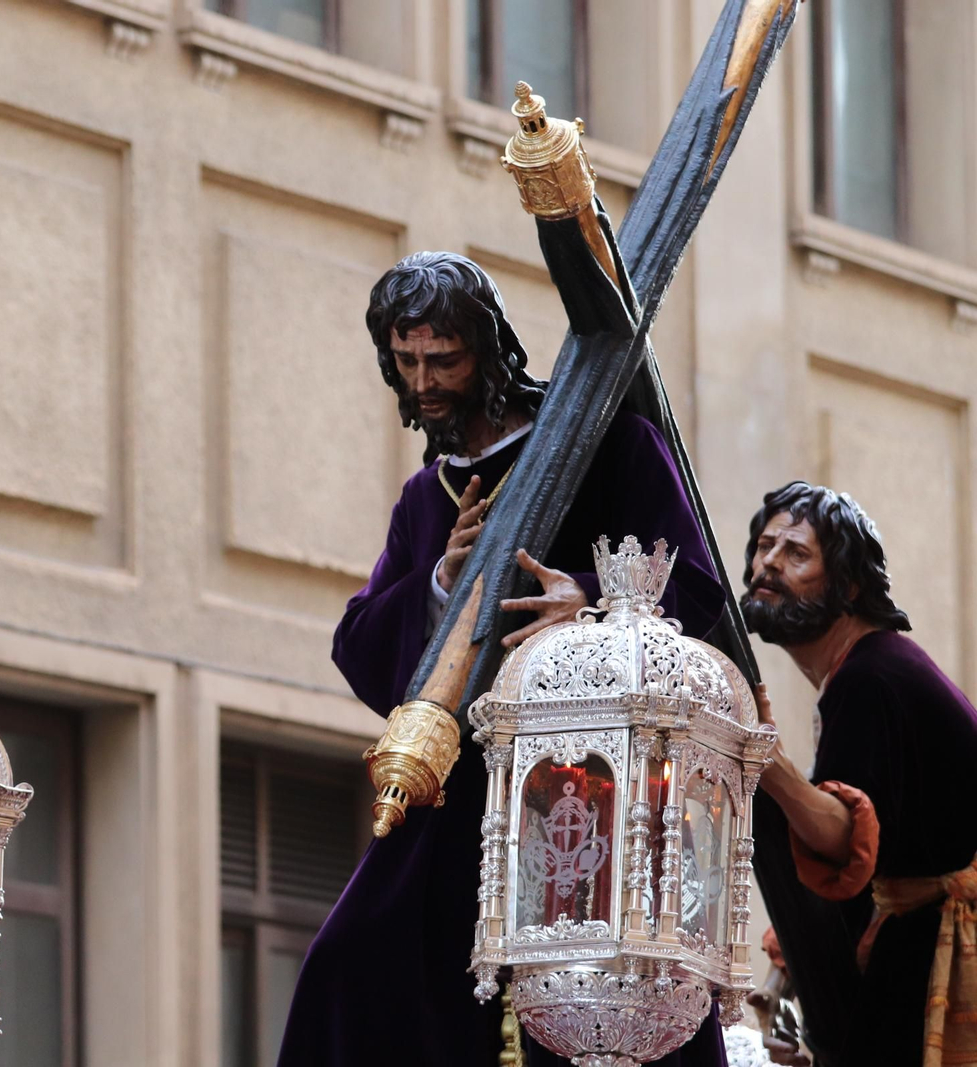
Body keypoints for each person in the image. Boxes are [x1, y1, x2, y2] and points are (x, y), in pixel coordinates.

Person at [274, 251, 728, 1066]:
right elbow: (364, 648)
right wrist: (442, 580)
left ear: (487, 348)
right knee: (353, 962)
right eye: (406, 362)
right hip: (467, 783)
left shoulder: (607, 441)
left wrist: (593, 602)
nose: (424, 384)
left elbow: (698, 590)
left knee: (595, 994)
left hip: (590, 777)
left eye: (443, 358)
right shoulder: (428, 496)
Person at [742, 481, 977, 1067]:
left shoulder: (869, 679)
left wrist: (767, 765)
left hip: (932, 949)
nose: (769, 562)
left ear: (847, 585)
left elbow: (849, 842)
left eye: (797, 553)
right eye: (765, 545)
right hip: (912, 935)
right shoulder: (866, 671)